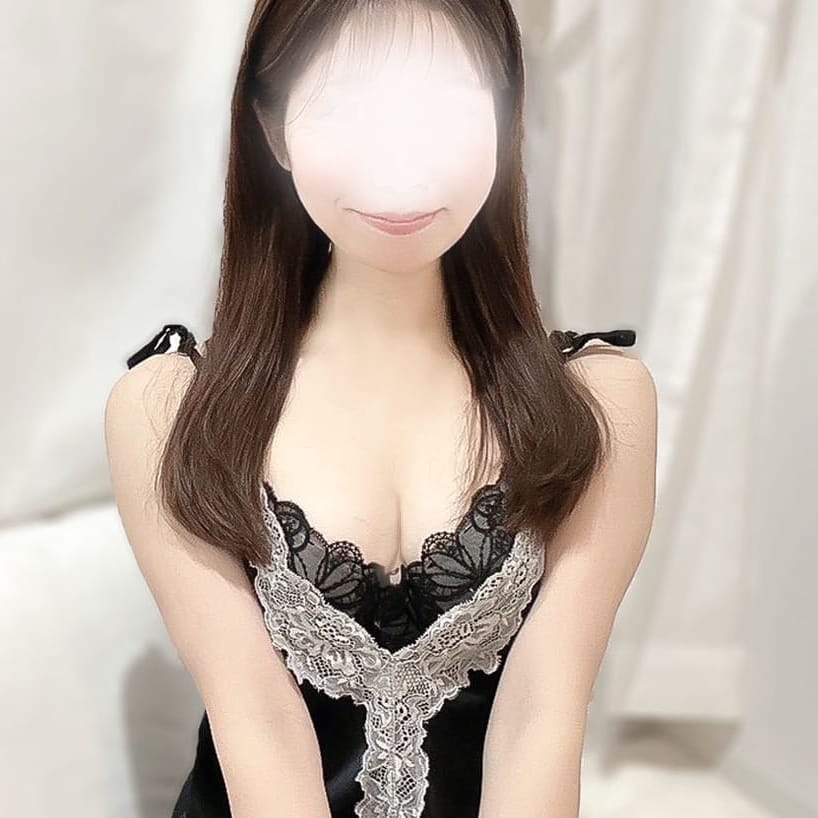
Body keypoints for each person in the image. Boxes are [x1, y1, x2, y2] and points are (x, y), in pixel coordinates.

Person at [105, 2, 657, 817]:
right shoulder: (168, 409)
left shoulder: (601, 402)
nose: (401, 162)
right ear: (274, 129)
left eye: (446, 105)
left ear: (505, 117)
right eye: (346, 105)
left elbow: (544, 711)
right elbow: (255, 720)